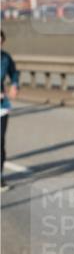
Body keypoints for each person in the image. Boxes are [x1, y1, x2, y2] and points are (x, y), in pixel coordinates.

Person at [1, 29, 20, 191]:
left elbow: (14, 73)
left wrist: (14, 85)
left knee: (0, 141)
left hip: (2, 106)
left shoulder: (5, 58)